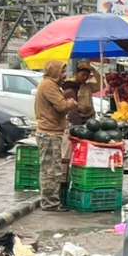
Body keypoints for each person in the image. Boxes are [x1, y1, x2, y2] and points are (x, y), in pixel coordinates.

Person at [35, 60, 77, 211]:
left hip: (52, 132)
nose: (64, 75)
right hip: (49, 133)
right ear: (54, 72)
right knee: (50, 170)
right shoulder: (48, 85)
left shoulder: (51, 85)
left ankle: (51, 201)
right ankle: (50, 203)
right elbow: (61, 106)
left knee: (52, 168)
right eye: (62, 72)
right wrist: (71, 103)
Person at [68, 61, 101, 126]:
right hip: (76, 118)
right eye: (83, 74)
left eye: (87, 76)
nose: (85, 77)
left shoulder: (88, 86)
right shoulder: (68, 85)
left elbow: (101, 85)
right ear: (76, 74)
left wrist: (93, 70)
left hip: (90, 117)